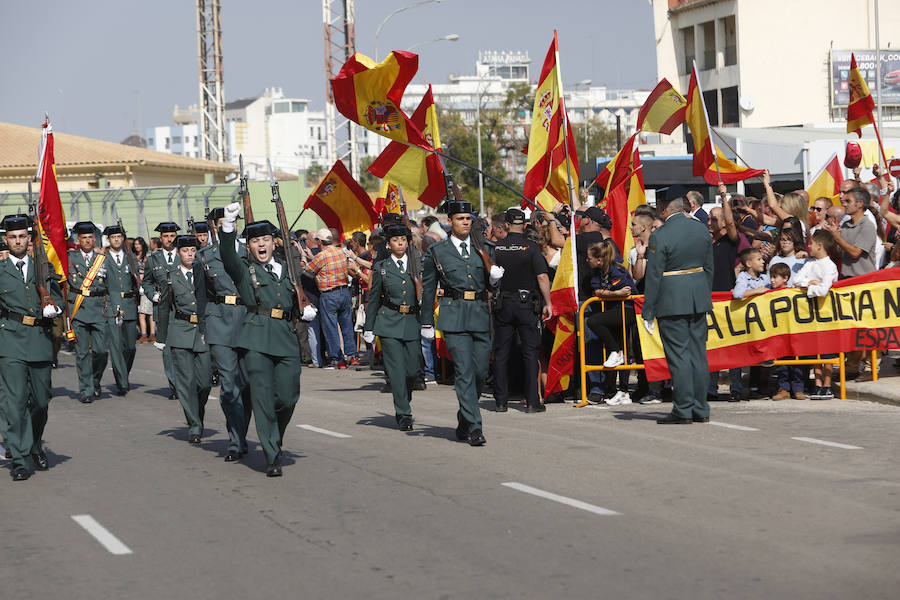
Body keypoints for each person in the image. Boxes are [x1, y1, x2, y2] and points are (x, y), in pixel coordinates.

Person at [219, 204, 317, 477]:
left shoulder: (288, 270)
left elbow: (299, 298)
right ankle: (272, 454)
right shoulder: (243, 270)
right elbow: (227, 255)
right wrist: (228, 224)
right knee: (261, 398)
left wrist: (305, 310)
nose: (260, 245)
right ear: (248, 247)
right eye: (254, 241)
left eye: (264, 240)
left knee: (288, 397)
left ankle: (274, 435)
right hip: (256, 339)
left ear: (274, 243)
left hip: (285, 337)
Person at [421, 200, 503, 446]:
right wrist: (426, 322)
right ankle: (475, 428)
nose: (465, 222)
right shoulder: (437, 252)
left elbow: (492, 286)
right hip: (454, 315)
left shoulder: (485, 248)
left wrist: (496, 280)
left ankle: (464, 418)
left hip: (479, 313)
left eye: (468, 219)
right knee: (464, 372)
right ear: (450, 222)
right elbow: (427, 290)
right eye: (460, 219)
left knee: (480, 373)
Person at [0, 214, 64, 480]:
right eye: (12, 237)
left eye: (22, 236)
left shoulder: (43, 267)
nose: (17, 241)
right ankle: (19, 458)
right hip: (10, 341)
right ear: (6, 240)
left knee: (40, 401)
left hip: (39, 338)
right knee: (13, 403)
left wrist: (54, 306)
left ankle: (35, 444)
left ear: (29, 239)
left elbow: (59, 296)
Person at [641, 196, 714, 424]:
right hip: (697, 298)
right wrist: (702, 294)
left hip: (671, 300)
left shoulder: (660, 235)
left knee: (679, 356)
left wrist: (648, 310)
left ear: (665, 209)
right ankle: (700, 408)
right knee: (698, 355)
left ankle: (683, 409)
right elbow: (709, 268)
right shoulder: (701, 230)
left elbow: (653, 276)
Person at [195, 206, 252, 462]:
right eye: (220, 223)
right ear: (212, 226)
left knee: (249, 385)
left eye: (231, 221)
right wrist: (204, 328)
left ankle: (242, 431)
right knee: (229, 386)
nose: (227, 226)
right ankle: (236, 440)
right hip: (219, 322)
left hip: (248, 321)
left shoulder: (250, 251)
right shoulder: (204, 257)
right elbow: (200, 296)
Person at [491, 208, 552, 413]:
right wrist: (548, 302)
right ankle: (533, 401)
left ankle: (500, 401)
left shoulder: (496, 247)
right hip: (527, 305)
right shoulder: (531, 247)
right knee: (530, 353)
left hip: (503, 305)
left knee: (501, 353)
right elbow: (542, 277)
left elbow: (489, 278)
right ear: (525, 225)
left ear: (506, 225)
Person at [362, 224, 422, 430]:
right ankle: (404, 412)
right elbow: (374, 299)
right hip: (389, 321)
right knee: (396, 371)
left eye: (403, 240)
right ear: (388, 244)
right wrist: (368, 328)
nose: (400, 244)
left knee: (412, 371)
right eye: (396, 241)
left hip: (412, 320)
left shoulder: (417, 265)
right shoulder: (382, 268)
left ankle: (404, 395)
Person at [154, 235, 210, 444]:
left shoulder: (205, 275)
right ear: (178, 253)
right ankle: (194, 425)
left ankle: (198, 413)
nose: (189, 254)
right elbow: (163, 308)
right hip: (180, 331)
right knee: (185, 383)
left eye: (193, 250)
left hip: (203, 332)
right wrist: (161, 338)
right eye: (185, 251)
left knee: (204, 383)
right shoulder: (170, 277)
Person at [826, 186, 877, 378]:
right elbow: (842, 253)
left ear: (860, 204)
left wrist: (837, 237)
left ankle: (871, 366)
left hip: (864, 281)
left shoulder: (867, 226)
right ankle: (853, 366)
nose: (843, 204)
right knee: (851, 326)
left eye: (848, 201)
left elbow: (855, 252)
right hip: (847, 280)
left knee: (865, 327)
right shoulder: (846, 225)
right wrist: (833, 236)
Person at [585, 240, 638, 405]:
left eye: (589, 258)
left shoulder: (618, 270)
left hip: (627, 311)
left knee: (593, 321)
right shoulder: (596, 273)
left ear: (599, 259)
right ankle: (621, 392)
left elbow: (626, 292)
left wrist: (609, 293)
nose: (587, 260)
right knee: (619, 347)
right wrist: (612, 293)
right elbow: (597, 292)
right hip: (612, 312)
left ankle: (623, 387)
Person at [67, 221, 110, 403]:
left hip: (99, 308)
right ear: (78, 239)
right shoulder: (70, 258)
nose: (87, 241)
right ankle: (86, 390)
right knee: (82, 352)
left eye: (90, 237)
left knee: (101, 351)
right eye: (84, 238)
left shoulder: (103, 258)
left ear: (95, 239)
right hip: (79, 308)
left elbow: (112, 285)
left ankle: (94, 380)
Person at [794, 230, 839, 399]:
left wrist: (810, 288)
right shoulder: (810, 263)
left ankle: (827, 384)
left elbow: (823, 290)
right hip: (810, 312)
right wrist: (810, 282)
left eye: (811, 243)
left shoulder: (830, 266)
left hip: (827, 312)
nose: (809, 247)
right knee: (815, 349)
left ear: (819, 246)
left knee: (827, 351)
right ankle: (817, 383)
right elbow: (796, 280)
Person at [141, 222, 182, 398]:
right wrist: (153, 295)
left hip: (183, 308)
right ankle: (175, 386)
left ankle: (185, 383)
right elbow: (147, 282)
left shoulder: (184, 255)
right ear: (161, 238)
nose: (169, 239)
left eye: (172, 236)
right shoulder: (153, 259)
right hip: (163, 309)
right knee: (168, 351)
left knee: (183, 348)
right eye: (166, 236)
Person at [308, 227, 358, 369]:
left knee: (331, 328)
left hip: (329, 294)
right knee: (347, 325)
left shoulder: (321, 256)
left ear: (319, 241)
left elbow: (308, 272)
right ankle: (352, 355)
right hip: (344, 291)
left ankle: (337, 358)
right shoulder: (341, 252)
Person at [103, 224, 139, 396]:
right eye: (113, 237)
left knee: (130, 347)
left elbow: (138, 279)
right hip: (112, 306)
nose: (116, 240)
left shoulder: (131, 258)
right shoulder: (102, 259)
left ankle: (123, 372)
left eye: (119, 237)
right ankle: (122, 382)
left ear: (123, 239)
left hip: (129, 305)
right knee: (116, 346)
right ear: (108, 240)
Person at [132, 237, 155, 342]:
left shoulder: (148, 256)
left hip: (146, 286)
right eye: (135, 244)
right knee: (142, 312)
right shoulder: (132, 256)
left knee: (147, 312)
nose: (137, 246)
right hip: (135, 287)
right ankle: (145, 333)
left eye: (139, 244)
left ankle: (149, 334)